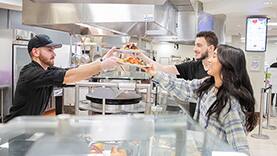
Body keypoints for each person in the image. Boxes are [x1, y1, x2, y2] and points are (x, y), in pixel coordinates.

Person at [143, 44, 257, 154]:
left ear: (226, 64)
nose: (209, 60)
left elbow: (240, 149)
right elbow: (185, 87)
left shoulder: (229, 104)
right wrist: (155, 73)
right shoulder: (208, 85)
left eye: (214, 56)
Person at [4, 34, 119, 122]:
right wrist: (101, 66)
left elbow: (72, 71)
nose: (54, 54)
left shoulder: (47, 70)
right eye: (49, 50)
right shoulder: (30, 73)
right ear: (35, 52)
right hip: (15, 128)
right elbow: (69, 76)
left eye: (53, 50)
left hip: (28, 126)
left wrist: (101, 61)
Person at [139, 31, 218, 116]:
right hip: (196, 118)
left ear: (210, 48)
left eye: (199, 45)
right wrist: (140, 55)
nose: (194, 49)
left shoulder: (220, 73)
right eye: (195, 45)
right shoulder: (191, 66)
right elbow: (163, 69)